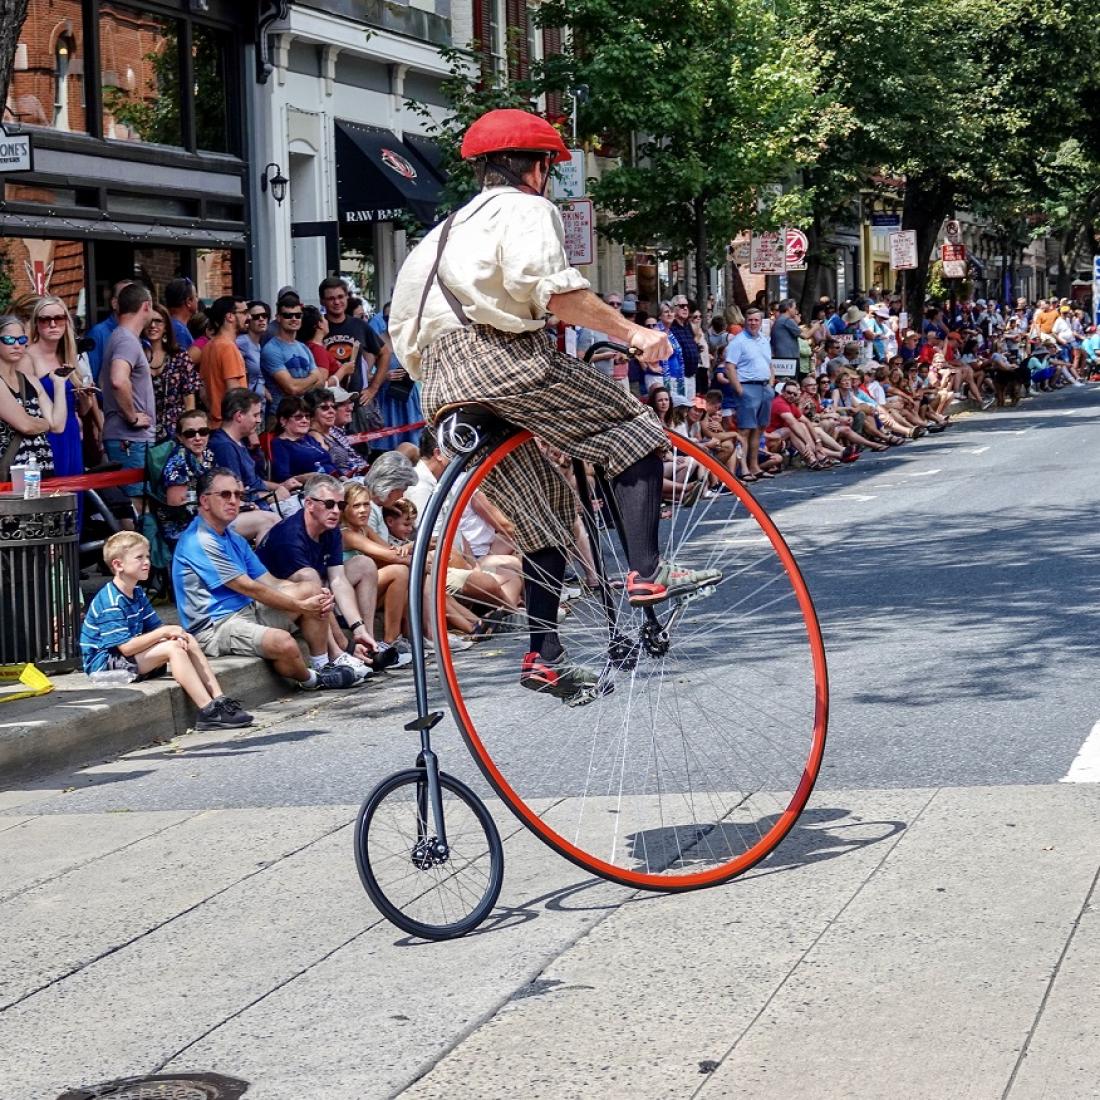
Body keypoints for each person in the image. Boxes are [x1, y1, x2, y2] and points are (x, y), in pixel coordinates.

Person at [389, 107, 720, 701]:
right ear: (537, 169)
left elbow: (404, 331)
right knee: (633, 429)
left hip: (438, 386)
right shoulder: (525, 208)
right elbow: (556, 291)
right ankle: (648, 571)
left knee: (544, 509)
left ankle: (545, 653)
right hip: (498, 356)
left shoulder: (439, 233)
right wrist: (634, 334)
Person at [172, 468, 358, 690]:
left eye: (238, 495)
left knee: (311, 589)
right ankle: (313, 680)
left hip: (248, 610)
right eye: (225, 495)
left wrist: (314, 594)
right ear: (204, 501)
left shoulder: (232, 537)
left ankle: (324, 664)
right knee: (284, 644)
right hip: (216, 627)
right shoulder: (200, 540)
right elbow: (250, 588)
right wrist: (300, 605)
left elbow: (270, 582)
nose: (233, 501)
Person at [79, 531, 252, 731]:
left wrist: (171, 633)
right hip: (104, 668)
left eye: (147, 556)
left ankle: (219, 700)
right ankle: (208, 712)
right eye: (139, 557)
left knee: (184, 638)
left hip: (125, 659)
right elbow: (126, 648)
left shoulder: (137, 592)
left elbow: (155, 628)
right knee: (172, 649)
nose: (147, 562)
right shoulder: (111, 600)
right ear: (118, 565)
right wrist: (164, 634)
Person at [257, 473, 389, 678]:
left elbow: (339, 579)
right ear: (309, 504)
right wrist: (346, 644)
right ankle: (339, 652)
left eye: (340, 505)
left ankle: (368, 641)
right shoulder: (289, 537)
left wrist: (358, 627)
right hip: (277, 606)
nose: (336, 511)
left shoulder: (331, 529)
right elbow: (312, 589)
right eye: (329, 504)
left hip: (314, 593)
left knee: (364, 564)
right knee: (311, 578)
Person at [101, 283, 157, 509]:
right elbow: (117, 379)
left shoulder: (121, 337)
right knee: (136, 504)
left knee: (134, 503)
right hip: (130, 438)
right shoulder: (126, 340)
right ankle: (135, 546)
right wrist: (132, 417)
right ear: (146, 306)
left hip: (127, 438)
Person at [25, 296, 88, 484]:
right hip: (46, 436)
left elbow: (81, 411)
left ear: (66, 322)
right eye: (45, 320)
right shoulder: (28, 358)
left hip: (72, 433)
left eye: (59, 319)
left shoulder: (67, 354)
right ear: (36, 324)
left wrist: (86, 398)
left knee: (75, 496)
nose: (53, 324)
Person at [0, 314, 64, 478]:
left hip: (41, 467)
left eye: (21, 340)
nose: (16, 345)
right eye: (8, 340)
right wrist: (43, 423)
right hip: (11, 473)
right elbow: (26, 425)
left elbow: (57, 425)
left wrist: (59, 384)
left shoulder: (31, 381)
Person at [319, 276, 389, 425]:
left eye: (340, 297)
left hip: (354, 406)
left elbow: (384, 353)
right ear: (322, 301)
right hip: (324, 405)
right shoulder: (318, 326)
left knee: (359, 448)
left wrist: (373, 388)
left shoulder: (359, 325)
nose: (337, 302)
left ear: (347, 297)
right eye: (331, 298)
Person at [723, 308, 775, 481]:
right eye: (750, 320)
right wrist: (739, 390)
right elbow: (729, 367)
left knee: (759, 429)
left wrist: (771, 384)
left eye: (756, 320)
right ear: (745, 321)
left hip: (764, 387)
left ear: (761, 322)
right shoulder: (738, 341)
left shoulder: (764, 340)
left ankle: (754, 466)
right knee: (744, 430)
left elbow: (770, 364)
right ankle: (743, 468)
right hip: (747, 387)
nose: (753, 323)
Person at [144, 304, 200, 443]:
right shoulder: (135, 355)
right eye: (149, 321)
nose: (153, 325)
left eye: (158, 321)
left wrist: (188, 431)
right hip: (144, 430)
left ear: (166, 326)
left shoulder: (179, 355)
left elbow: (189, 399)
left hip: (175, 431)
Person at [261, 292, 326, 400]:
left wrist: (302, 385)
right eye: (288, 315)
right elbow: (292, 388)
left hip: (304, 412)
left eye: (298, 315)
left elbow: (321, 382)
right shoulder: (271, 349)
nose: (294, 319)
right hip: (281, 413)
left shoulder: (303, 347)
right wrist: (313, 377)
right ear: (278, 318)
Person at [199, 296, 249, 428]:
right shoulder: (228, 347)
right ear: (230, 316)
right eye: (243, 313)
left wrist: (215, 412)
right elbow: (235, 392)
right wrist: (249, 432)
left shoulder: (209, 346)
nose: (248, 317)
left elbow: (203, 391)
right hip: (231, 426)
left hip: (215, 423)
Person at [270, 395, 337, 482]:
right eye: (298, 417)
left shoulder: (308, 438)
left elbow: (329, 463)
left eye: (307, 416)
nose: (305, 420)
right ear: (283, 420)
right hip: (312, 489)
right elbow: (281, 477)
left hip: (333, 481)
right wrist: (304, 478)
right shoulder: (280, 444)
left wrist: (343, 477)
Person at [85, 278, 133, 383]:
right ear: (114, 303)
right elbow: (91, 378)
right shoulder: (98, 333)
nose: (132, 302)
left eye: (135, 297)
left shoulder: (139, 332)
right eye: (126, 297)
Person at [237, 300, 271, 407]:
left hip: (260, 405)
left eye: (264, 316)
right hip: (246, 405)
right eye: (256, 317)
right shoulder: (243, 342)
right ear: (248, 321)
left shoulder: (260, 344)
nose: (261, 319)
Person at [164, 277, 199, 351]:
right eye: (196, 296)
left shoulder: (170, 325)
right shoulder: (180, 332)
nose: (197, 300)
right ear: (189, 301)